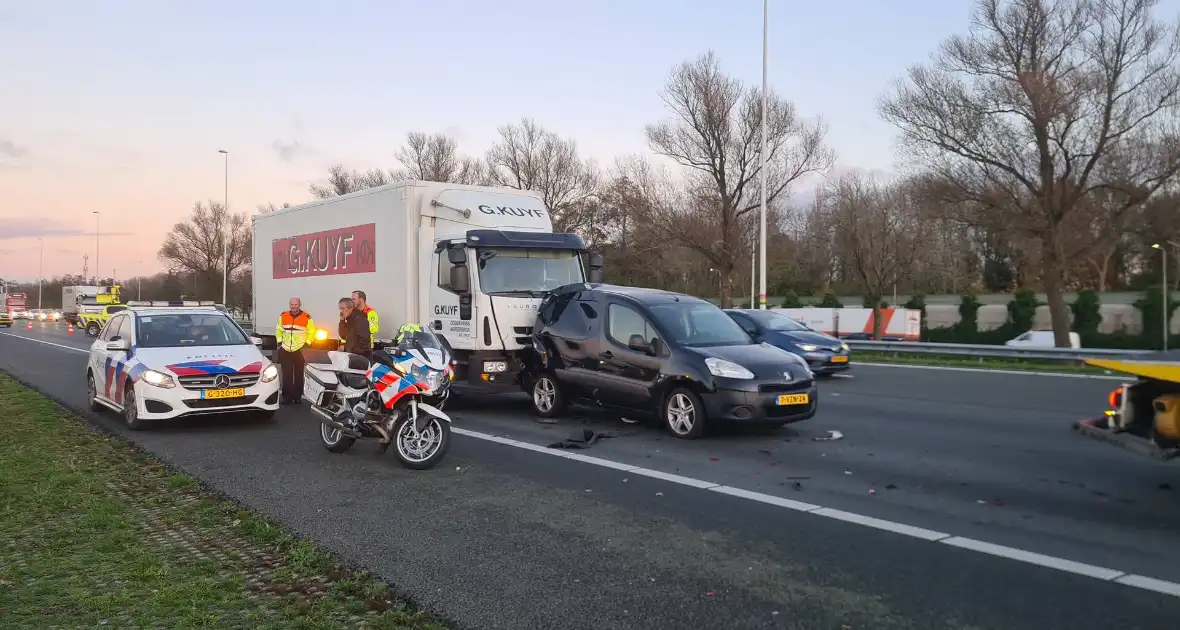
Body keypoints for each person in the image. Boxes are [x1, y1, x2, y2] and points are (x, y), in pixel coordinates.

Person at [276, 297, 315, 405]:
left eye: (296, 305)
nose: (294, 307)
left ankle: (297, 397)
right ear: (289, 305)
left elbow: (312, 331)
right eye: (292, 305)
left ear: (299, 305)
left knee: (298, 374)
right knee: (286, 375)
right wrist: (279, 343)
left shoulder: (306, 317)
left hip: (300, 349)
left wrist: (307, 343)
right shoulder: (283, 316)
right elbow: (279, 330)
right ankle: (287, 398)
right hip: (286, 349)